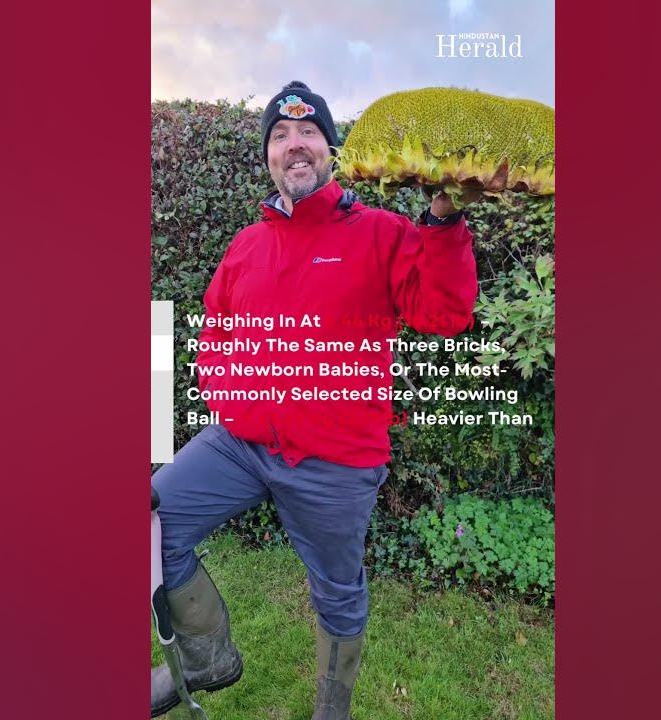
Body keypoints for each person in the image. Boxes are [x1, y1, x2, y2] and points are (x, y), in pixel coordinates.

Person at [151, 80, 478, 720]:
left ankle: (332, 711)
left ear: (329, 147)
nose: (293, 145)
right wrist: (231, 395)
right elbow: (217, 328)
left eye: (307, 133)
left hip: (338, 460)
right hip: (241, 445)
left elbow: (445, 312)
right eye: (279, 135)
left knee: (338, 594)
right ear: (269, 156)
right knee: (152, 525)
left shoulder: (382, 233)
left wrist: (443, 220)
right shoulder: (247, 244)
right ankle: (208, 659)